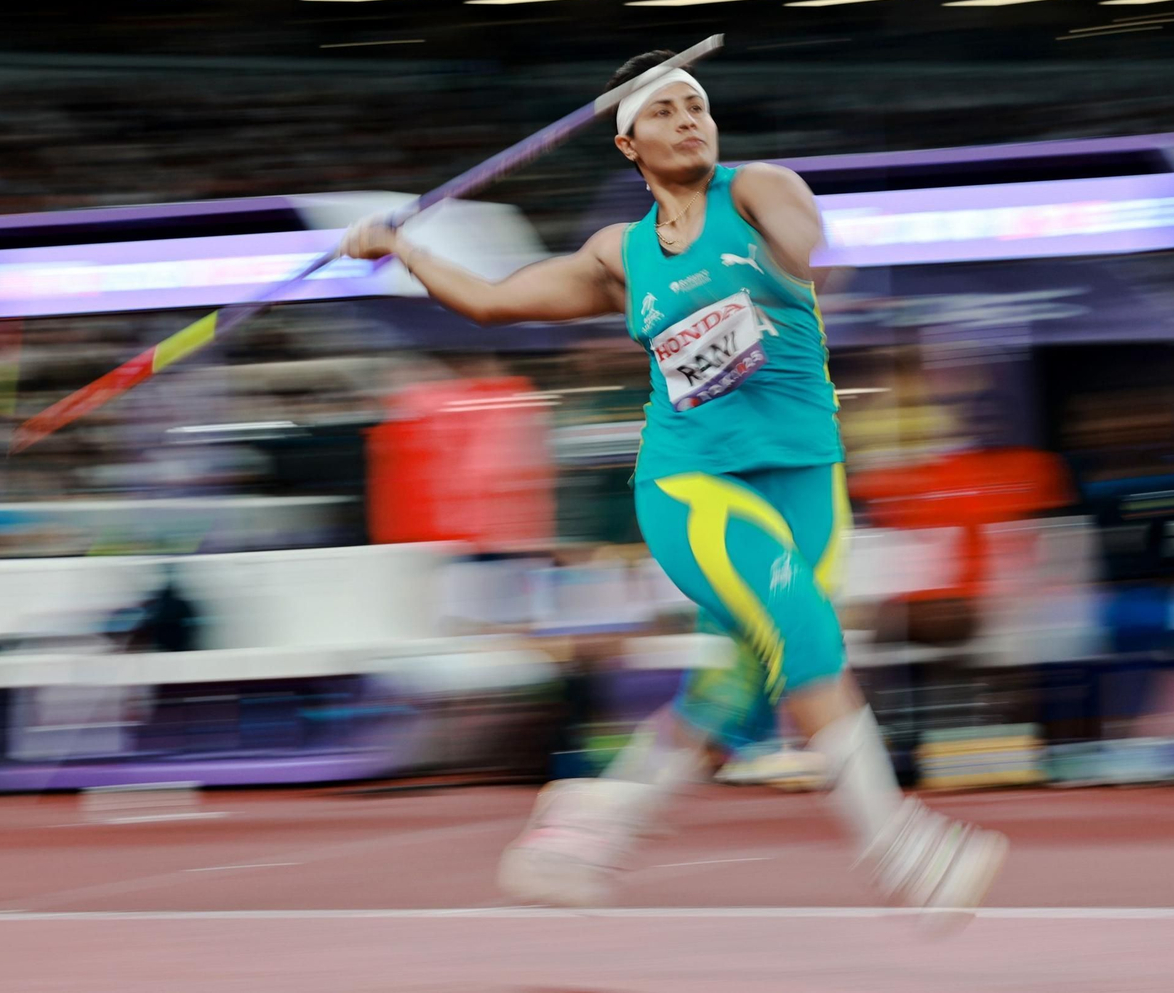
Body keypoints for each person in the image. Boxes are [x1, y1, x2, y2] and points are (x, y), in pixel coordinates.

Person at [338, 50, 1007, 927]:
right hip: (693, 485)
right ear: (628, 143)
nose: (690, 120)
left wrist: (802, 251)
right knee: (805, 637)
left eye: (698, 106)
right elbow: (496, 304)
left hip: (807, 482)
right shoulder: (621, 254)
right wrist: (400, 249)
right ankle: (903, 852)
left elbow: (806, 237)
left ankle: (589, 826)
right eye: (666, 112)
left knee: (734, 691)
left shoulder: (758, 187)